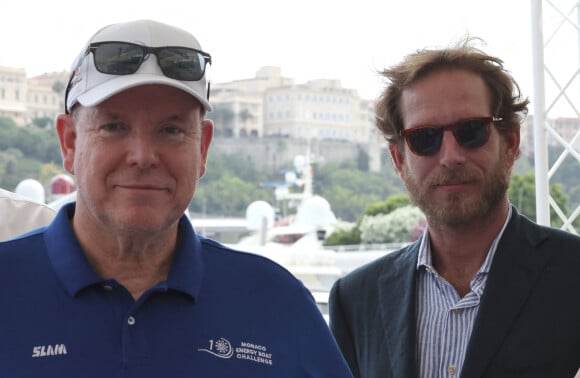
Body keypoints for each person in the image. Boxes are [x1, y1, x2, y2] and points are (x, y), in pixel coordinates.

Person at [0, 19, 353, 377]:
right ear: (70, 142)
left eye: (171, 130)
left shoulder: (277, 301)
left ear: (203, 148)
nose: (143, 155)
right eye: (114, 127)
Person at [329, 38, 580, 378]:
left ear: (510, 142)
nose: (450, 157)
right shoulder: (356, 298)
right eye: (424, 137)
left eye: (471, 131)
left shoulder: (571, 274)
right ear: (399, 159)